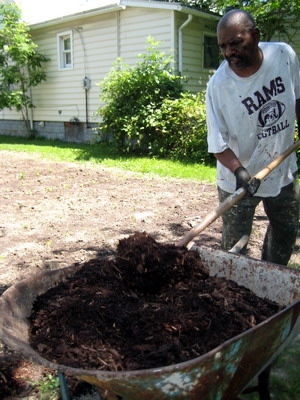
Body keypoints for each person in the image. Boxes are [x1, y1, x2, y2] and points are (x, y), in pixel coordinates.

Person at [206, 9, 300, 265]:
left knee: (286, 230)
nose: (228, 52)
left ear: (255, 35)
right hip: (238, 178)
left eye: (236, 43)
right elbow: (217, 144)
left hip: (282, 170)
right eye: (223, 46)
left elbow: (297, 99)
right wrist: (239, 172)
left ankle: (271, 277)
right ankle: (235, 293)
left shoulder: (283, 55)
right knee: (235, 247)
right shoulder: (218, 86)